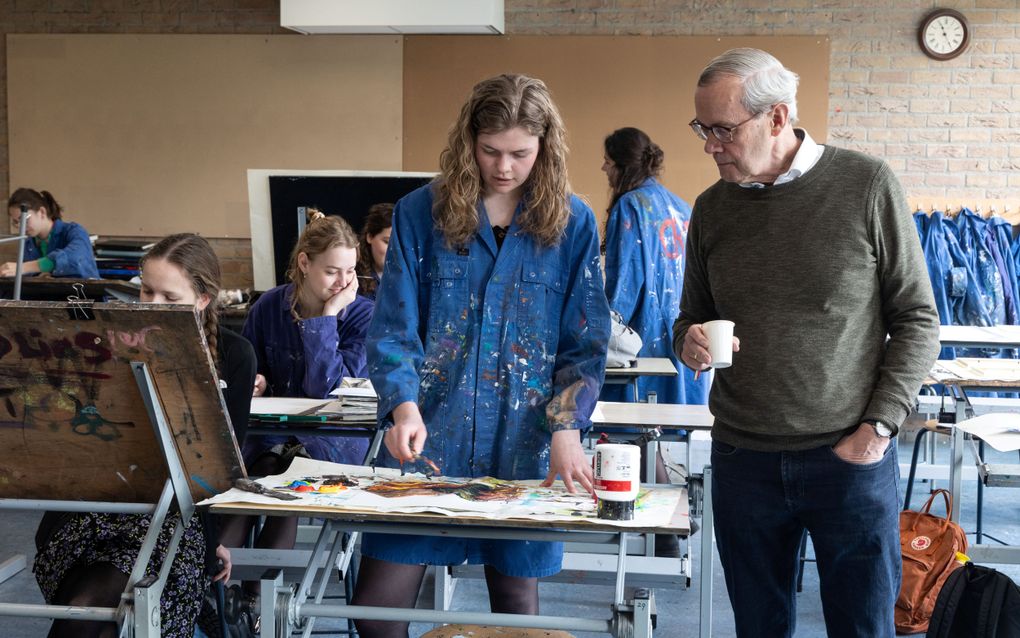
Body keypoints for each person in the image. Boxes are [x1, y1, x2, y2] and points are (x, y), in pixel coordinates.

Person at [674, 48, 940, 638]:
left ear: (777, 117)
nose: (710, 145)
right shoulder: (712, 209)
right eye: (702, 129)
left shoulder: (866, 184)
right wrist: (687, 341)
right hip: (744, 458)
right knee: (758, 626)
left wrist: (880, 427)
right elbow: (691, 315)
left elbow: (918, 319)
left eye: (722, 129)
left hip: (849, 455)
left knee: (863, 624)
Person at [352, 73, 611, 638]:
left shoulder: (572, 224)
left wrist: (567, 427)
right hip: (430, 437)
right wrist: (403, 407)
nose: (504, 166)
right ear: (469, 141)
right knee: (376, 610)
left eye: (520, 153)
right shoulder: (420, 213)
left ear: (545, 148)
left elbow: (585, 345)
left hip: (522, 442)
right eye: (490, 150)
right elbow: (394, 329)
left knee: (516, 608)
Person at [32, 233, 256, 638]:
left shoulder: (234, 356)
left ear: (202, 299)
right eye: (146, 292)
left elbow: (222, 468)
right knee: (92, 601)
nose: (152, 307)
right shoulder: (108, 341)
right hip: (94, 510)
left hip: (174, 517)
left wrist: (212, 540)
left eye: (169, 298)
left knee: (95, 604)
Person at [220, 210, 374, 607]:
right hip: (268, 436)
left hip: (333, 443)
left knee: (286, 480)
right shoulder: (269, 307)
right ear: (304, 263)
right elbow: (252, 368)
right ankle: (213, 589)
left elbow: (330, 390)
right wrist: (258, 381)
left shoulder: (362, 315)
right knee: (252, 482)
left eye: (351, 271)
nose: (343, 282)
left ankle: (255, 601)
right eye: (332, 271)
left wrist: (327, 319)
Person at [601, 127, 708, 406]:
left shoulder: (629, 206)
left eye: (609, 162)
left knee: (633, 431)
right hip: (684, 330)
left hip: (646, 336)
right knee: (671, 430)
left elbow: (625, 282)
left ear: (623, 167)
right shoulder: (682, 207)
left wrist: (603, 331)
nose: (604, 168)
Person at [2, 187, 99, 279]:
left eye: (24, 220)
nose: (20, 226)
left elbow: (75, 257)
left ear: (42, 212)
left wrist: (24, 267)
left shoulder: (74, 231)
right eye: (15, 222)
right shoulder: (28, 244)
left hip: (81, 294)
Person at [356, 202, 393, 299]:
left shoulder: (409, 278)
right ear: (370, 237)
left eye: (400, 244)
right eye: (387, 242)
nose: (395, 251)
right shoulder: (351, 277)